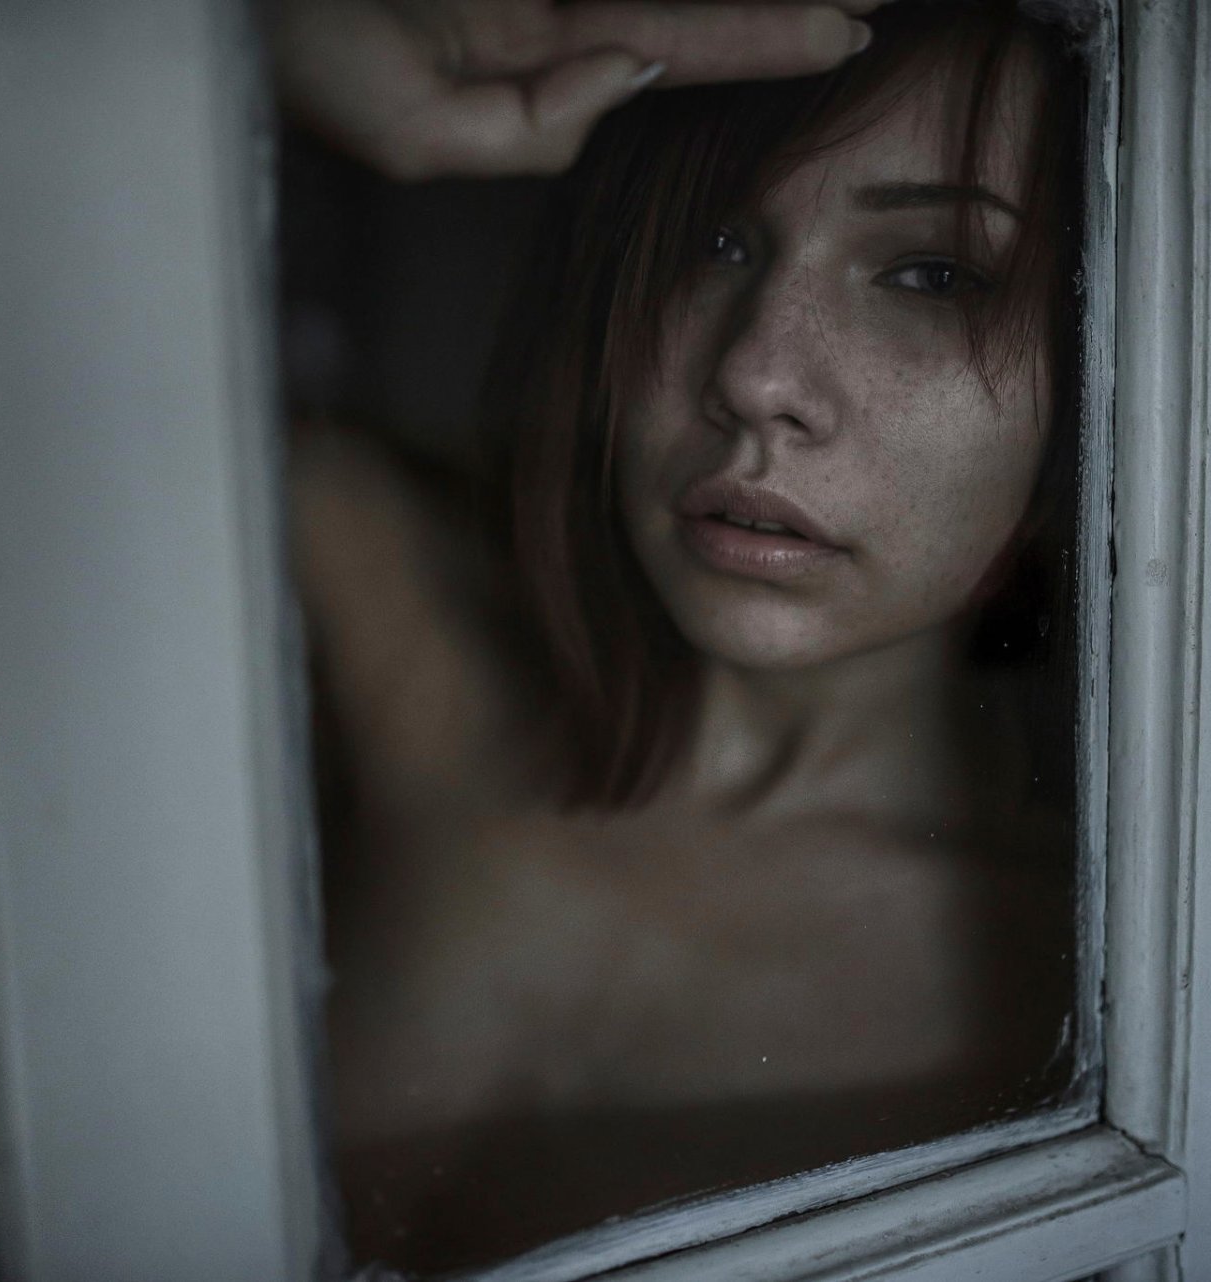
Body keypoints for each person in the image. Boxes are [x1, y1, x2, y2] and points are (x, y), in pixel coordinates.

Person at [276, 0, 1091, 1270]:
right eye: (712, 241)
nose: (755, 374)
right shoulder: (410, 614)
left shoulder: (1093, 1001)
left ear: (1099, 372)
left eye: (933, 272)